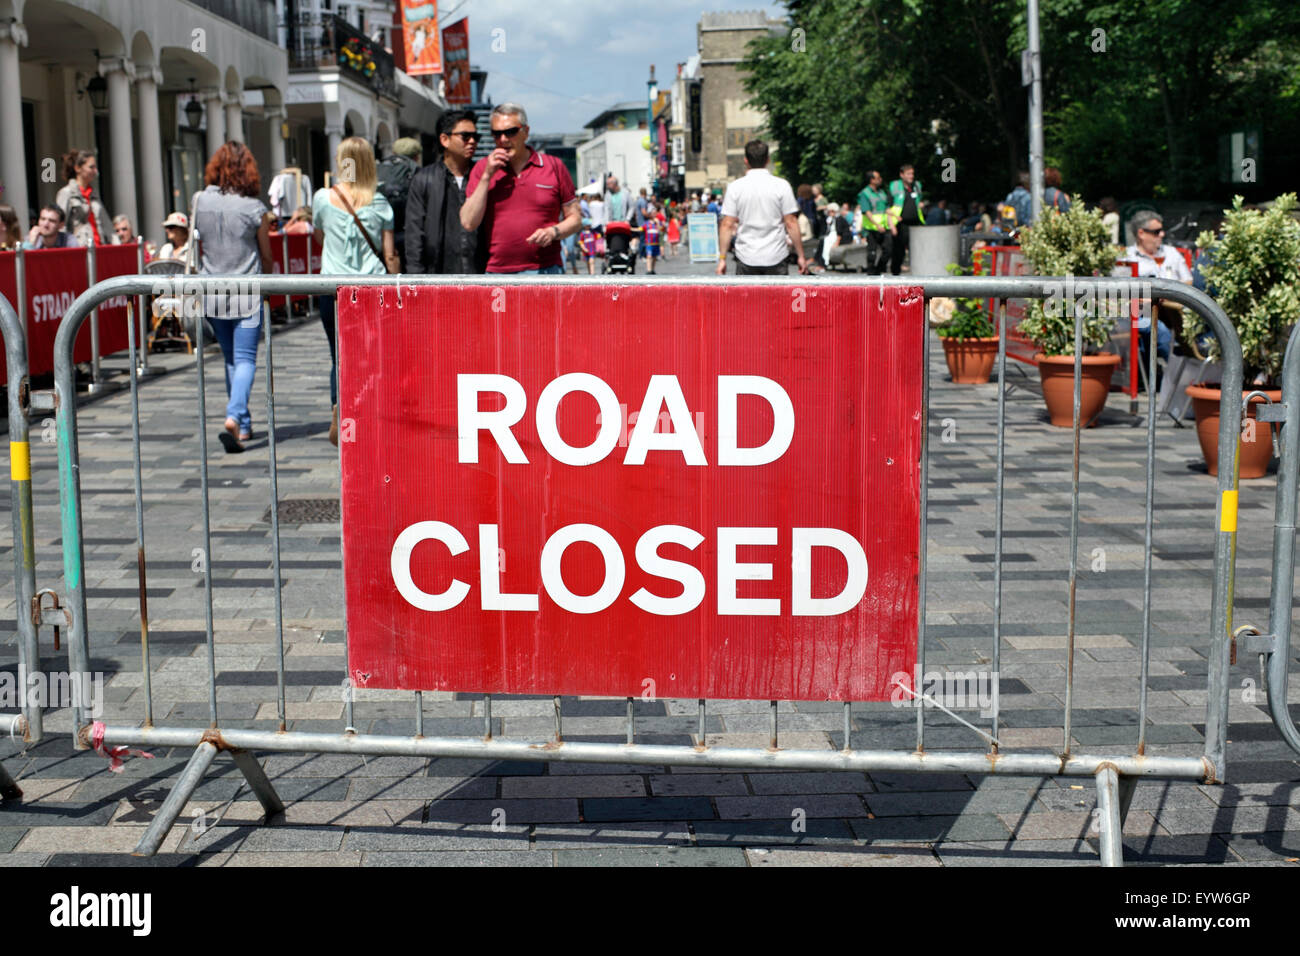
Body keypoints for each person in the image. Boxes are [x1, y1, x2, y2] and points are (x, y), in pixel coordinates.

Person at [192, 140, 275, 454]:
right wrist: (269, 280)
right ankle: (234, 415)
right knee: (245, 359)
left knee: (231, 358)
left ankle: (242, 423)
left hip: (212, 287)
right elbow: (266, 255)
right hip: (247, 288)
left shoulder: (199, 200)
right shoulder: (254, 208)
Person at [314, 136, 395, 445]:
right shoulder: (380, 201)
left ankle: (339, 407)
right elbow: (389, 254)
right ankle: (371, 411)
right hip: (373, 289)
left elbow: (320, 237)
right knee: (374, 355)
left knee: (340, 355)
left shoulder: (323, 198)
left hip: (333, 288)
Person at [460, 103, 580, 275]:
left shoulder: (553, 166)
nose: (503, 139)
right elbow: (468, 222)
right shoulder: (482, 169)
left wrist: (553, 232)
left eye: (510, 132)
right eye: (496, 134)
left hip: (546, 270)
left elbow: (575, 219)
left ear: (526, 131)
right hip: (497, 273)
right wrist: (487, 175)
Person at [406, 109, 484, 274]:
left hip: (478, 275)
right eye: (465, 136)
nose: (472, 142)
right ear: (445, 139)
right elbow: (414, 234)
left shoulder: (483, 176)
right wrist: (416, 279)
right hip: (438, 275)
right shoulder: (423, 179)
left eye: (475, 137)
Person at [716, 139, 808, 276]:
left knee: (747, 298)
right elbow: (791, 223)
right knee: (777, 298)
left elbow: (727, 225)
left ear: (746, 160)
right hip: (776, 255)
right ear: (767, 160)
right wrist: (801, 256)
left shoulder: (735, 187)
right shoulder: (782, 186)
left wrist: (722, 259)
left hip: (746, 256)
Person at [1123, 210, 1192, 365]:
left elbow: (1188, 281)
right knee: (1158, 330)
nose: (1162, 234)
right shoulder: (1128, 258)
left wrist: (1170, 294)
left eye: (1162, 230)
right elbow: (1121, 293)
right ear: (1141, 233)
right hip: (1141, 312)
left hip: (1173, 310)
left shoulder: (1171, 253)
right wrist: (1147, 299)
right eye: (1156, 232)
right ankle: (1176, 373)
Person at [378, 136, 421, 271]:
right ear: (416, 156)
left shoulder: (380, 166)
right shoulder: (415, 169)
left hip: (381, 233)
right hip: (407, 233)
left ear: (394, 153)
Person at [56, 150, 112, 247]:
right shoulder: (66, 193)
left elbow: (107, 226)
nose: (95, 171)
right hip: (79, 251)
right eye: (91, 167)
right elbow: (61, 226)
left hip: (99, 249)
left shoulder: (94, 195)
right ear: (78, 168)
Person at [888, 164, 924, 274]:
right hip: (900, 223)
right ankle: (895, 274)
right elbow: (888, 207)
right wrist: (891, 225)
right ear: (901, 175)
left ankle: (917, 273)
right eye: (908, 174)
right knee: (899, 251)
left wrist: (921, 205)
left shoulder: (917, 186)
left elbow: (918, 200)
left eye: (912, 173)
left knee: (917, 250)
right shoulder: (894, 186)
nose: (911, 176)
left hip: (916, 223)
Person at [857, 170, 893, 275]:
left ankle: (878, 270)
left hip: (883, 226)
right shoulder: (865, 193)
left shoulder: (881, 193)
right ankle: (871, 273)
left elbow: (886, 208)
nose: (880, 180)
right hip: (871, 228)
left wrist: (894, 217)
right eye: (877, 178)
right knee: (872, 253)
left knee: (888, 250)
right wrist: (876, 225)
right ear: (871, 180)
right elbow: (866, 211)